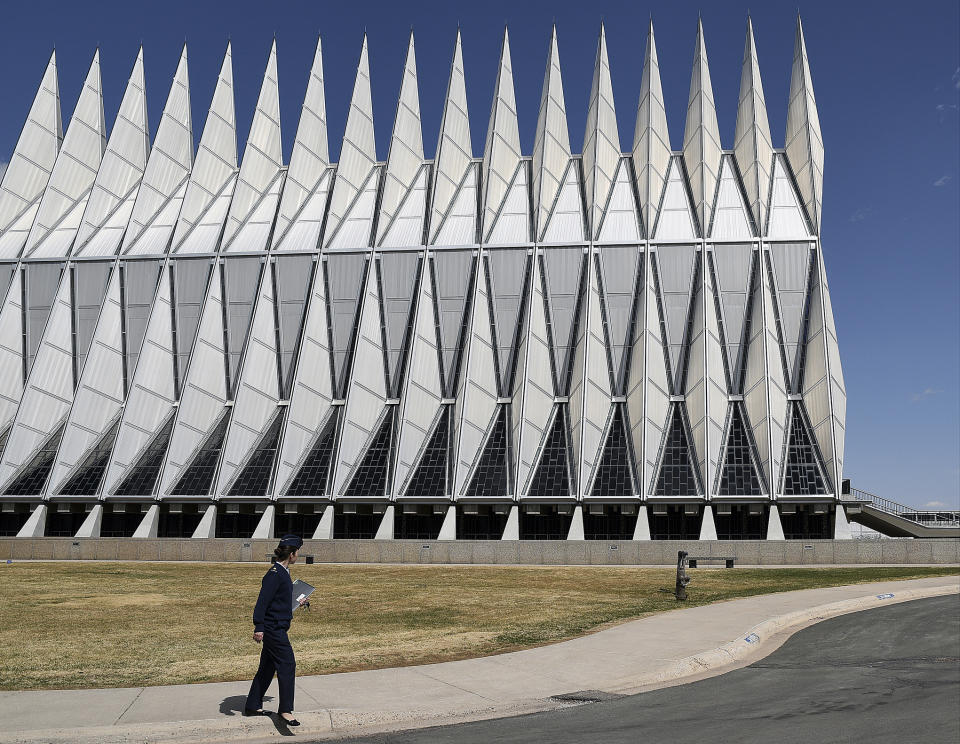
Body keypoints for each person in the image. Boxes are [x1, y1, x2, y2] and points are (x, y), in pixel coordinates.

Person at [244, 534, 305, 726]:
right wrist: (259, 627)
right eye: (298, 553)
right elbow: (262, 603)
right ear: (292, 554)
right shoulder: (274, 574)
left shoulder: (284, 573)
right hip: (273, 629)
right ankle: (285, 710)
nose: (298, 556)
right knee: (287, 665)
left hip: (278, 626)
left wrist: (298, 601)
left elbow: (280, 601)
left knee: (267, 667)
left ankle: (253, 705)